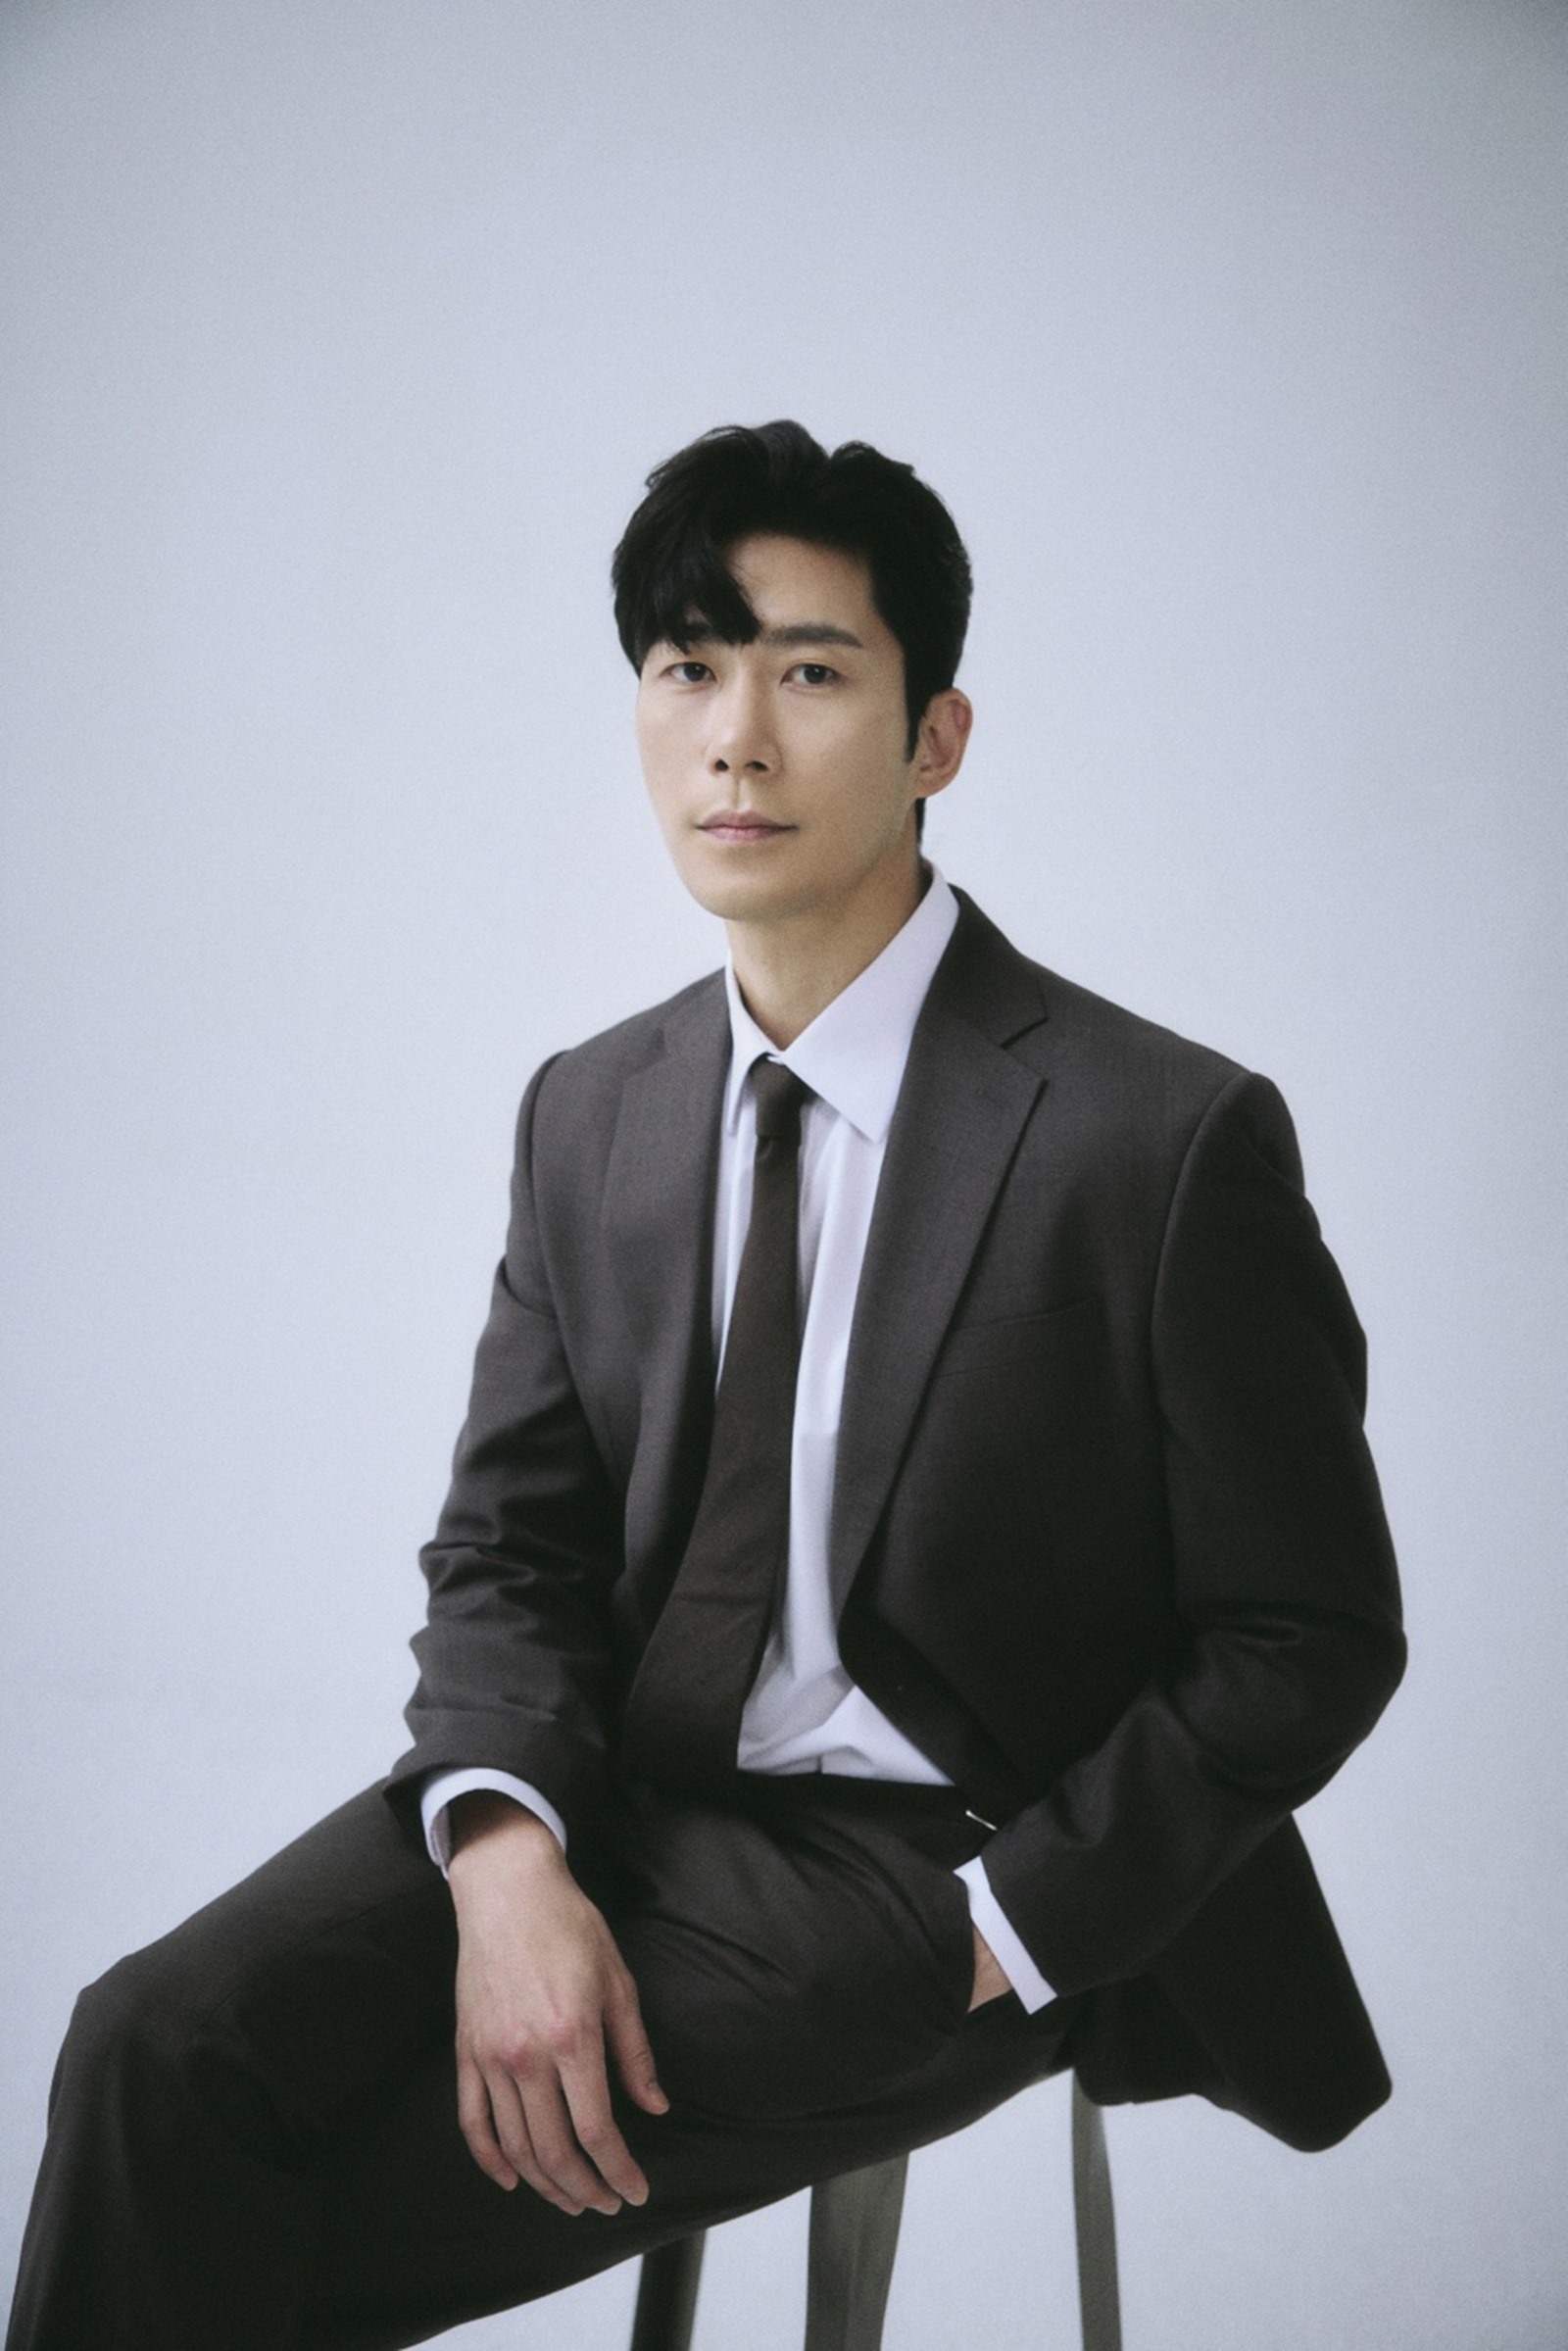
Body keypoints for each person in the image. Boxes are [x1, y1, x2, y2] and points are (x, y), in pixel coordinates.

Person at [6, 421, 1405, 2350]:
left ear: (935, 737)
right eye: (687, 670)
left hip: (941, 1859)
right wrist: (506, 1857)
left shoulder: (1153, 1140)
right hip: (622, 1795)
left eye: (810, 673)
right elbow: (508, 1548)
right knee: (150, 2049)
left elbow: (1306, 1631)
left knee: (283, 2203)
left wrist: (1011, 1935)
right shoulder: (595, 1111)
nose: (735, 739)